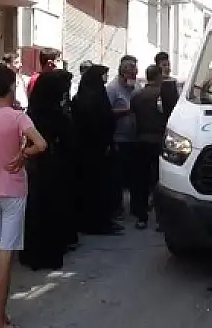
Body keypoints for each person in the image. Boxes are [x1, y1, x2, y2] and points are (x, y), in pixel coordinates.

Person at [0, 63, 47, 328]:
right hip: (13, 190)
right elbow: (41, 144)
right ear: (12, 86)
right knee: (6, 253)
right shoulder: (19, 118)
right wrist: (24, 155)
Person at [21, 68, 78, 269]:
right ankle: (49, 254)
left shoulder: (33, 112)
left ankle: (32, 253)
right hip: (53, 165)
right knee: (52, 209)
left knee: (36, 209)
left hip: (36, 166)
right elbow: (68, 138)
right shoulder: (56, 113)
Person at [71, 61, 122, 235]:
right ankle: (98, 223)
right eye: (103, 75)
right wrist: (106, 143)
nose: (105, 78)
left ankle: (97, 221)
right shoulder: (94, 98)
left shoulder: (86, 95)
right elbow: (99, 123)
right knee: (98, 189)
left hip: (89, 151)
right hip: (97, 150)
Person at [129, 65, 167, 230]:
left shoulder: (137, 96)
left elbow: (132, 121)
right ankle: (161, 219)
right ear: (159, 76)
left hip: (141, 140)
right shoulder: (163, 95)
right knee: (160, 181)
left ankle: (142, 217)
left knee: (141, 181)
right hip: (159, 141)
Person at [106, 56, 139, 221]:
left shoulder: (133, 87)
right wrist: (126, 111)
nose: (135, 75)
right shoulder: (113, 88)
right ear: (124, 72)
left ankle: (135, 207)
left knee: (133, 174)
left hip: (133, 138)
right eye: (132, 72)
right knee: (117, 175)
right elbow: (107, 112)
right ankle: (116, 208)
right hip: (119, 138)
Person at [154, 51, 179, 119]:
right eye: (164, 65)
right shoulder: (155, 83)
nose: (167, 68)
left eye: (168, 65)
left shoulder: (174, 81)